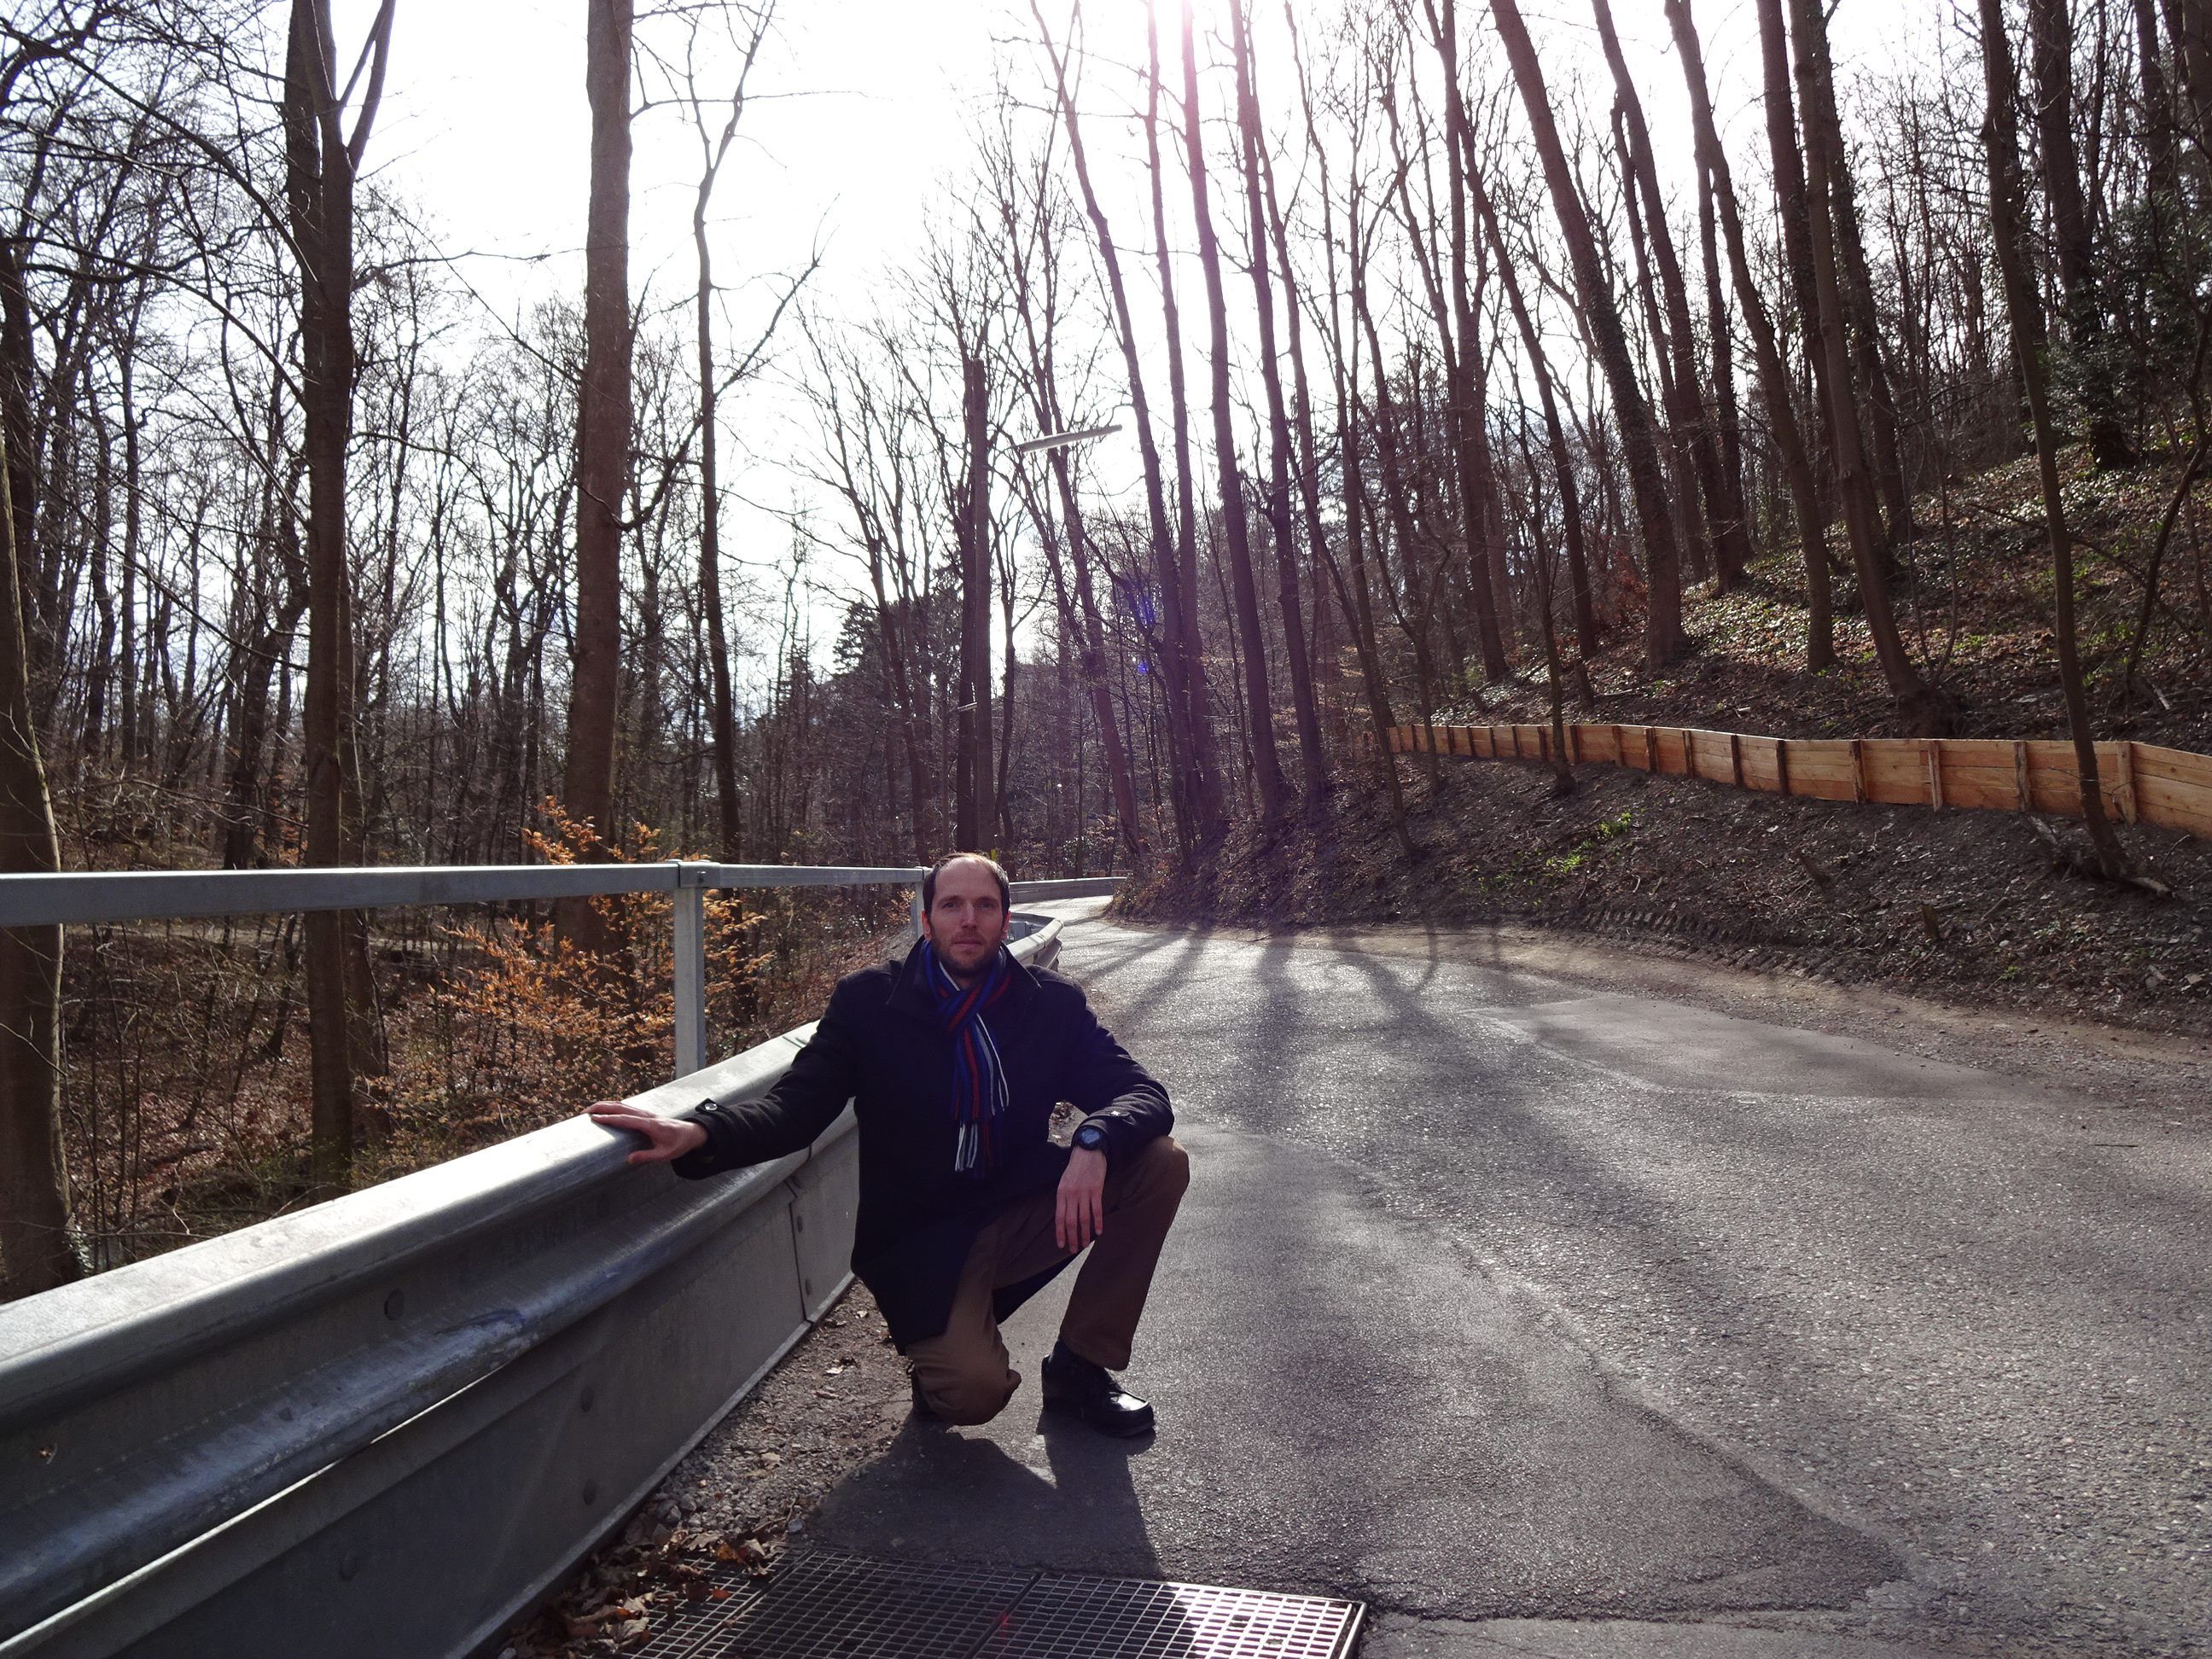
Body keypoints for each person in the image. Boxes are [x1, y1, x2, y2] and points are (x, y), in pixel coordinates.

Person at [588, 853, 1189, 1437]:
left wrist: (1094, 1139)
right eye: (951, 905)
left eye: (985, 906)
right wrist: (701, 1130)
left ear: (1007, 921)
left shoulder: (1049, 1005)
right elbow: (795, 1111)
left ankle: (1080, 1367)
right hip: (922, 1239)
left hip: (1017, 1209)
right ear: (925, 921)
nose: (969, 919)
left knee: (1160, 1163)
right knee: (972, 1395)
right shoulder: (870, 1004)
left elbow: (1141, 1093)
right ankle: (943, 1355)